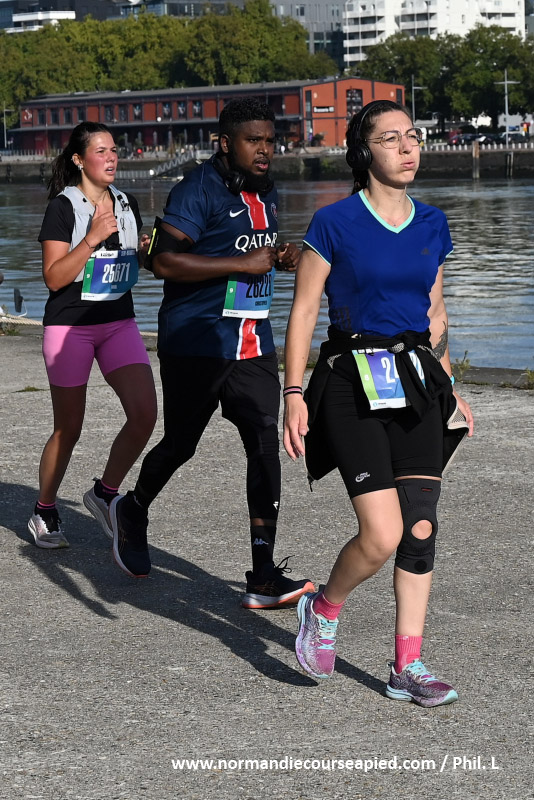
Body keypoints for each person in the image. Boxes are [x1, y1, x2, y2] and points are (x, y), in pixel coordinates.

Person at [283, 100, 474, 706]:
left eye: (412, 136)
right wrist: (293, 393)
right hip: (350, 381)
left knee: (420, 526)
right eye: (391, 139)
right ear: (364, 151)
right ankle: (324, 607)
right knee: (382, 533)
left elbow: (434, 311)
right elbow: (303, 312)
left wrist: (449, 385)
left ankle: (407, 667)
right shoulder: (333, 222)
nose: (407, 147)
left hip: (416, 381)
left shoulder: (432, 224)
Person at [110, 98, 314, 607]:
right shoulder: (196, 190)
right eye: (253, 140)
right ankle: (132, 509)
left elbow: (251, 249)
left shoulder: (267, 192)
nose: (265, 150)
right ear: (225, 143)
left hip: (252, 340)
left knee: (264, 443)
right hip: (196, 340)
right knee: (181, 444)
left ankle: (263, 573)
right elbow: (164, 262)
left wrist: (281, 255)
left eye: (270, 141)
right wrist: (241, 265)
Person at [28, 122, 157, 550]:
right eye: (101, 151)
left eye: (114, 149)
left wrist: (147, 251)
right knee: (69, 427)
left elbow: (130, 264)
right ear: (79, 160)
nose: (111, 157)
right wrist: (92, 238)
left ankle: (104, 493)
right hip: (70, 327)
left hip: (118, 321)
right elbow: (53, 277)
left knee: (144, 414)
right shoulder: (63, 208)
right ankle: (45, 510)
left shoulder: (126, 203)